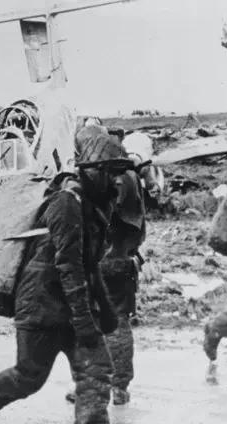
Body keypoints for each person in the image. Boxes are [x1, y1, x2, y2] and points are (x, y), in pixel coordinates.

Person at [0, 128, 134, 424]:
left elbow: (90, 264)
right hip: (40, 305)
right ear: (94, 170)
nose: (118, 180)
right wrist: (85, 321)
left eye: (120, 173)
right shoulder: (67, 202)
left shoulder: (95, 203)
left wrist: (104, 311)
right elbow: (69, 266)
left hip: (70, 302)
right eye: (112, 172)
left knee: (96, 368)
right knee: (28, 377)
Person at [66, 126, 147, 406]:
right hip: (120, 260)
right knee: (114, 323)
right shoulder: (128, 176)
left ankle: (98, 386)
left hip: (106, 259)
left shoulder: (107, 178)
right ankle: (117, 387)